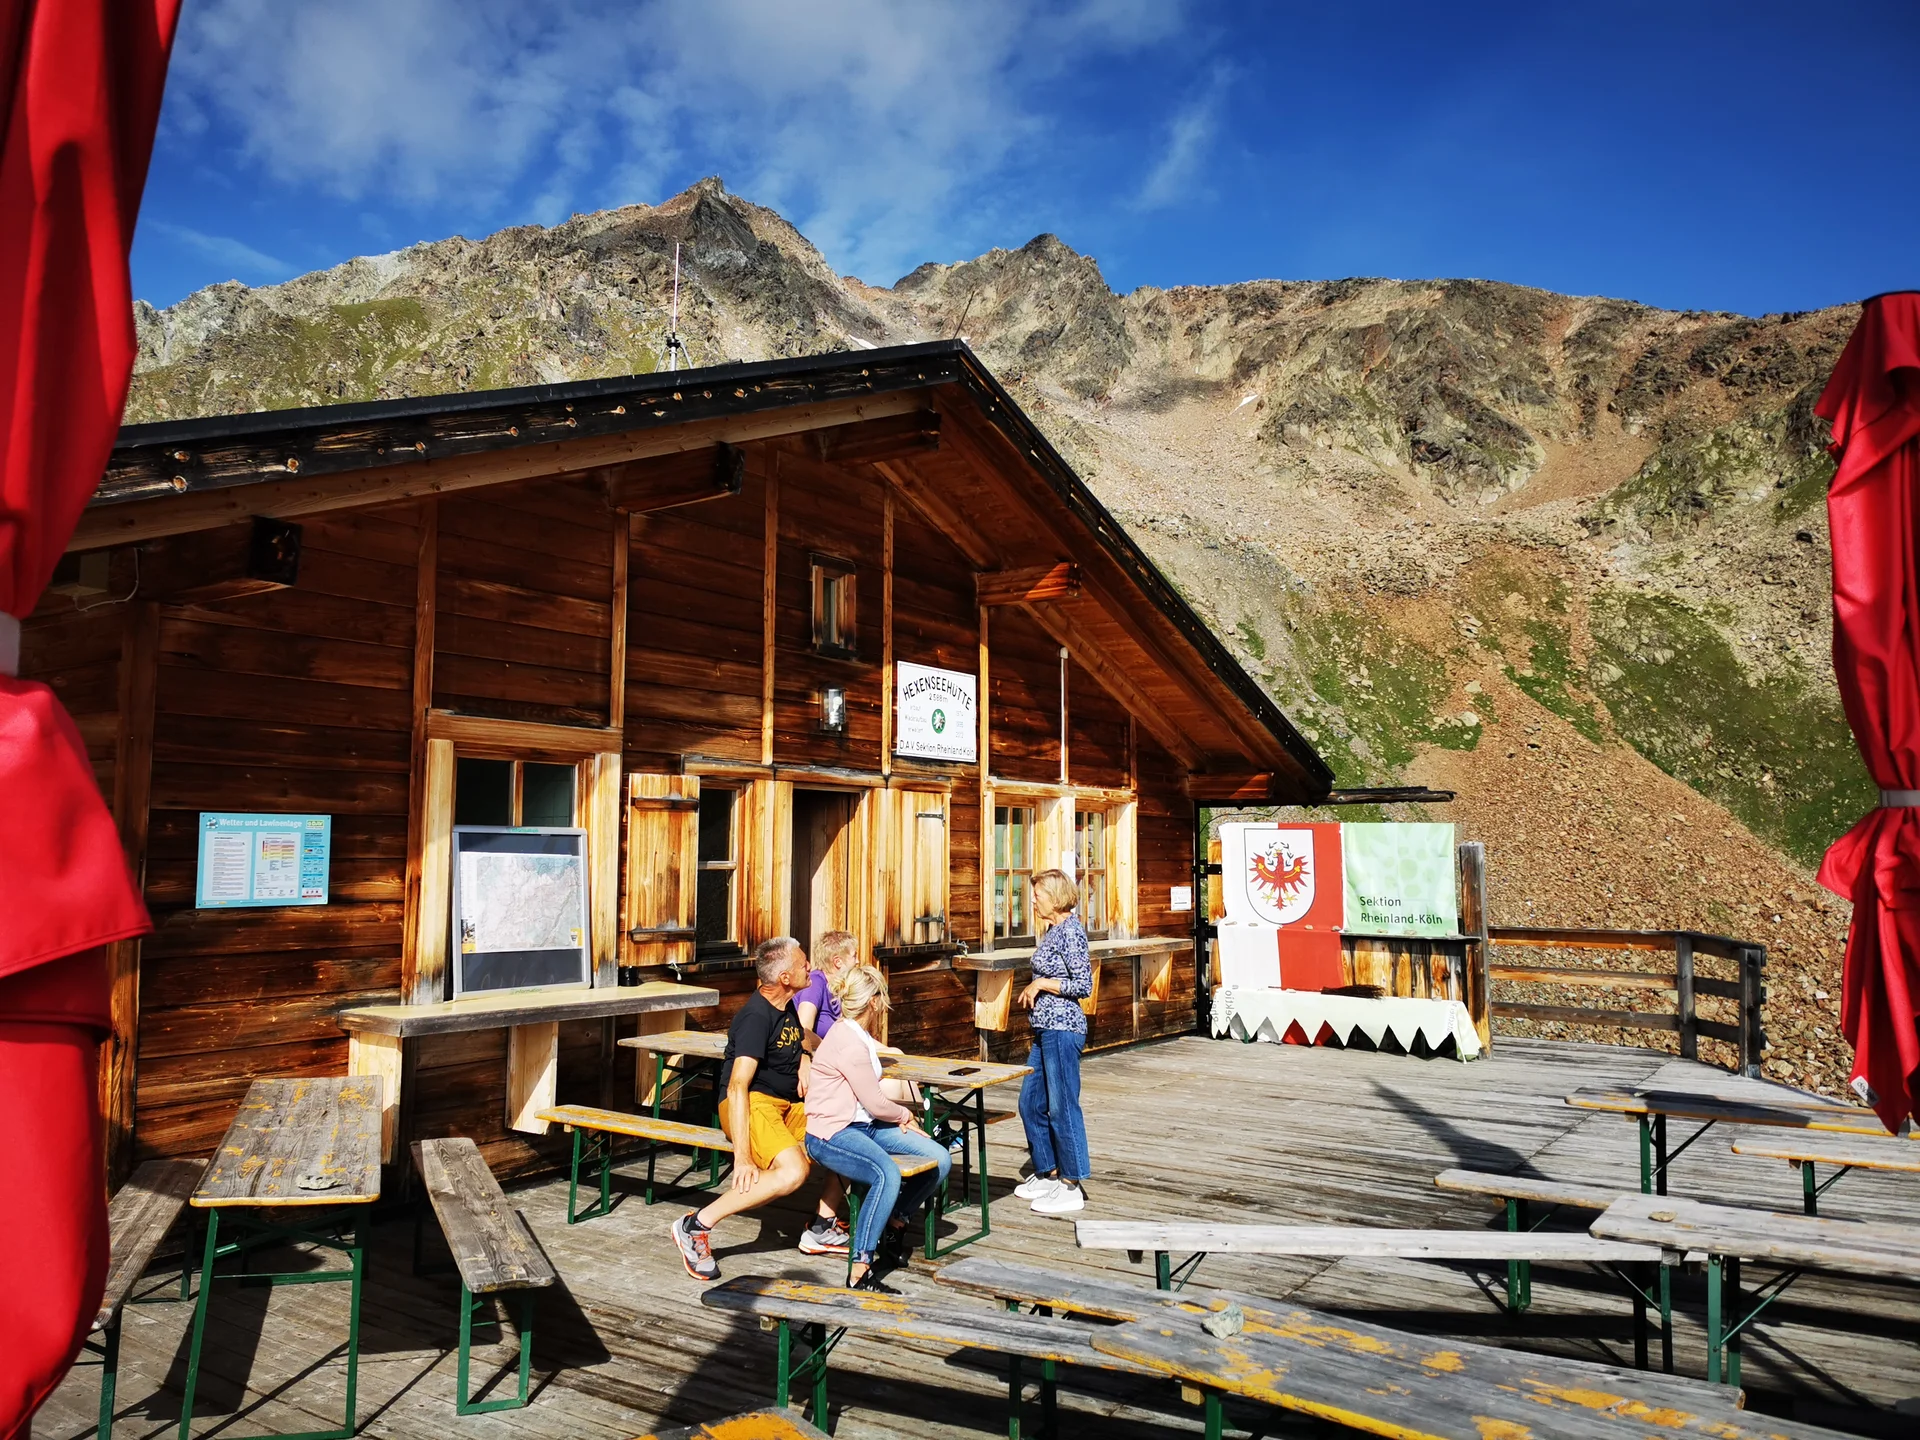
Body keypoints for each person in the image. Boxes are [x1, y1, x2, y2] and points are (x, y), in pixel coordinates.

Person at [670, 937, 847, 1281]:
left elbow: (805, 1037)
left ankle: (823, 1225)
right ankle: (695, 1225)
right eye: (802, 963)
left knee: (846, 1134)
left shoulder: (786, 1007)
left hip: (787, 1106)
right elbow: (737, 1086)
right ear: (784, 977)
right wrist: (742, 1157)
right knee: (793, 1171)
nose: (809, 966)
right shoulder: (756, 1016)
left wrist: (808, 1056)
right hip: (750, 1103)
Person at [803, 963, 952, 1289]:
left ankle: (895, 1221)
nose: (884, 1003)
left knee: (939, 1159)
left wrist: (899, 1118)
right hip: (832, 1133)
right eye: (882, 997)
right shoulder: (849, 1042)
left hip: (865, 1126)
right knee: (887, 1174)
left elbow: (872, 1107)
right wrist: (904, 1116)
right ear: (873, 1002)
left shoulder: (858, 1034)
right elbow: (875, 1103)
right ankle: (860, 1268)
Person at [1014, 868, 1093, 1215]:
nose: (1032, 901)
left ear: (1055, 897)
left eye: (1037, 895)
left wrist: (1041, 984)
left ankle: (1072, 1184)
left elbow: (1083, 984)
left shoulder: (1071, 932)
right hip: (1044, 1029)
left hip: (1063, 1028)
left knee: (1062, 1106)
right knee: (1030, 1103)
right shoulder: (1052, 931)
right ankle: (1049, 1173)